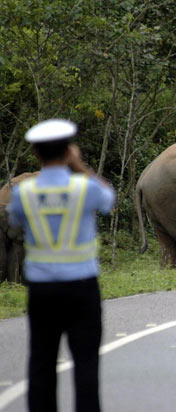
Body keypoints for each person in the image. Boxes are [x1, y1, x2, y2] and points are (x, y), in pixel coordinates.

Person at [7, 119, 115, 412]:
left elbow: (15, 220)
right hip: (82, 286)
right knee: (86, 362)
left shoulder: (23, 192)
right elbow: (108, 200)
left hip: (42, 290)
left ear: (35, 155)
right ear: (70, 151)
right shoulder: (84, 188)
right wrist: (81, 168)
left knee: (42, 361)